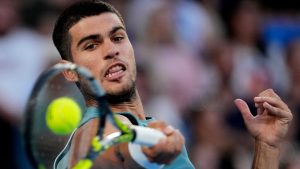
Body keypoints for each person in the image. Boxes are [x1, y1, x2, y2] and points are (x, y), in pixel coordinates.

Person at [51, 0, 293, 168]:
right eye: (91, 45)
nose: (111, 50)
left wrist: (266, 146)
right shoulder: (93, 130)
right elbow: (106, 149)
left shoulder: (152, 128)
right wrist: (142, 149)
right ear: (69, 72)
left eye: (117, 37)